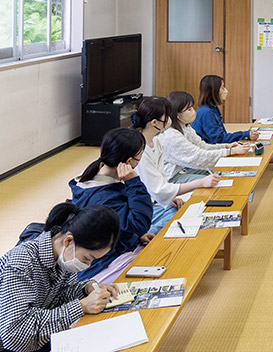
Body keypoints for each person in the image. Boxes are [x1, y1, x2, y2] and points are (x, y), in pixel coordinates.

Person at [0, 203, 121, 352]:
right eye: (86, 258)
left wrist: (86, 289)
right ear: (69, 241)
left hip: (35, 338)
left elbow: (59, 297)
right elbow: (15, 336)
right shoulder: (21, 263)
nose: (88, 265)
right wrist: (81, 306)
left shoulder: (62, 256)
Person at [70, 127, 154, 280]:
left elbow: (124, 225)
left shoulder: (93, 177)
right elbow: (140, 223)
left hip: (115, 247)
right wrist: (134, 182)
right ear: (129, 161)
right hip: (103, 262)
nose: (142, 157)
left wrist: (135, 237)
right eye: (140, 153)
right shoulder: (104, 197)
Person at [131, 97, 220, 233]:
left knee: (187, 211)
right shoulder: (140, 150)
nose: (170, 119)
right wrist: (200, 183)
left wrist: (171, 198)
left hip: (155, 199)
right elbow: (157, 189)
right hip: (144, 204)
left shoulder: (156, 143)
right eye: (166, 116)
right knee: (182, 218)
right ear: (154, 123)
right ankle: (139, 234)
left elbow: (161, 180)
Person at [159, 91, 250, 182]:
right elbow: (199, 156)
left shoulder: (186, 127)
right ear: (178, 115)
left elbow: (202, 146)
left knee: (222, 173)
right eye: (189, 109)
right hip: (171, 177)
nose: (194, 111)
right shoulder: (172, 136)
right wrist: (229, 151)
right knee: (216, 180)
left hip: (183, 170)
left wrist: (226, 146)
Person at [192, 75, 260, 145]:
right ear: (214, 91)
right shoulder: (206, 112)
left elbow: (221, 136)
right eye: (222, 88)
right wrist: (245, 135)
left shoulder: (212, 108)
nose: (225, 90)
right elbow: (219, 139)